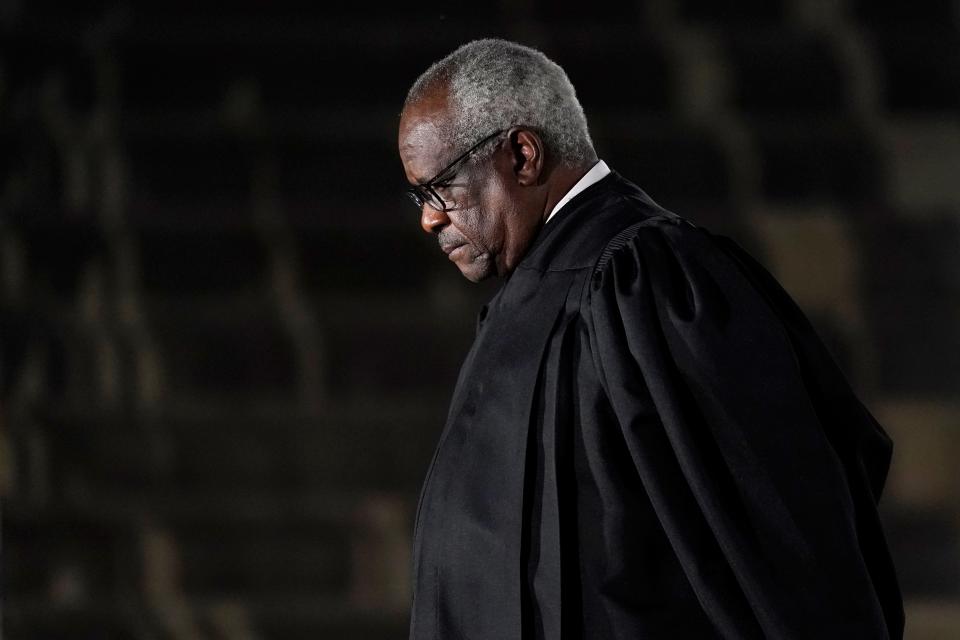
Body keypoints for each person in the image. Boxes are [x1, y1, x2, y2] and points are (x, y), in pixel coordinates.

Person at [397, 38, 904, 639]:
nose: (429, 218)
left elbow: (779, 535)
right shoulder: (532, 296)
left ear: (523, 156)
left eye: (440, 189)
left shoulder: (649, 279)